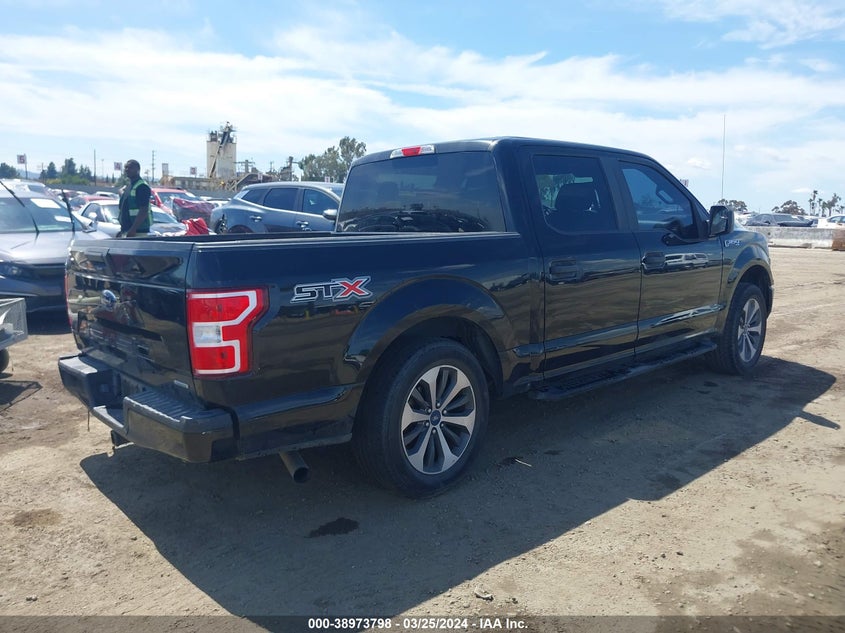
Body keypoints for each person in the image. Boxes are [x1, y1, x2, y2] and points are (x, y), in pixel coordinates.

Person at [117, 159, 151, 237]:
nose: (127, 169)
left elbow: (144, 210)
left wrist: (133, 229)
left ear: (138, 170)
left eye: (130, 167)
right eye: (126, 167)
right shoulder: (130, 186)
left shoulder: (142, 186)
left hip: (138, 232)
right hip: (127, 230)